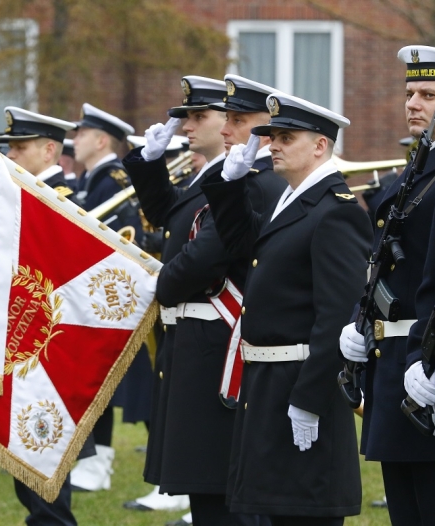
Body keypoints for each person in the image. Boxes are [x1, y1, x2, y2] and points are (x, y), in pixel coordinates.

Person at [201, 92, 371, 525]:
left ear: (319, 145)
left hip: (299, 380)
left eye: (286, 137)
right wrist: (228, 184)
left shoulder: (334, 211)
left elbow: (336, 316)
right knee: (272, 510)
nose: (272, 145)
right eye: (272, 136)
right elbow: (242, 246)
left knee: (304, 512)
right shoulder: (293, 200)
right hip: (266, 381)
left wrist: (310, 400)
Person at [123, 75, 286, 525]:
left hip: (217, 338)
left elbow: (206, 254)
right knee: (204, 483)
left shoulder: (249, 178)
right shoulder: (215, 176)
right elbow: (171, 217)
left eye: (202, 116)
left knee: (218, 483)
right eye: (188, 117)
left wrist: (156, 284)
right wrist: (149, 163)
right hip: (195, 337)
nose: (190, 126)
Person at [339, 45, 435, 525]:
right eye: (409, 93)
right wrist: (364, 320)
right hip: (396, 363)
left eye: (428, 94)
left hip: (427, 363)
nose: (413, 104)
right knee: (406, 507)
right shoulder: (416, 171)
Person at [0, 106, 97, 526]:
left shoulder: (63, 202)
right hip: (21, 337)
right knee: (24, 459)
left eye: (20, 147)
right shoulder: (26, 195)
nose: (11, 155)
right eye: (10, 146)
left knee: (43, 454)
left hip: (47, 349)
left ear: (50, 149)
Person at [69, 102, 146, 493]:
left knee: (102, 383)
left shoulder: (112, 180)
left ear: (100, 140)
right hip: (88, 298)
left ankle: (99, 464)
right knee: (90, 381)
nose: (74, 140)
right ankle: (93, 462)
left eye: (80, 134)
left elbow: (123, 243)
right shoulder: (91, 179)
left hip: (106, 300)